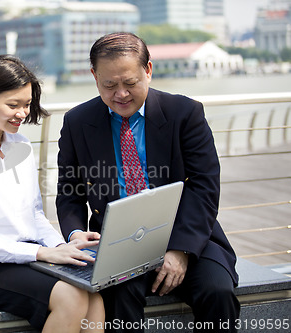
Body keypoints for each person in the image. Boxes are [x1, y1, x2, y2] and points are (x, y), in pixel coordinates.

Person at [56, 33, 240, 332]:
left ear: (149, 70)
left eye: (130, 83)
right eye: (109, 85)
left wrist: (180, 251)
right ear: (94, 76)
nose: (121, 95)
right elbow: (70, 191)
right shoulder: (78, 121)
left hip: (188, 235)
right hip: (118, 243)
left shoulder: (185, 113)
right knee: (117, 300)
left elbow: (204, 186)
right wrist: (76, 233)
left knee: (217, 293)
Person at [0, 54, 105, 333]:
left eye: (26, 104)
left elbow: (35, 214)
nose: (22, 113)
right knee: (72, 297)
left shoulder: (20, 145)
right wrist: (43, 253)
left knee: (94, 295)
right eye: (12, 105)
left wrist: (60, 247)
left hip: (29, 253)